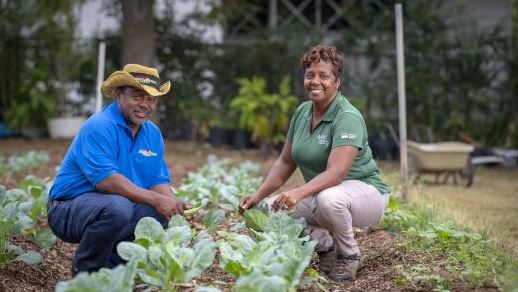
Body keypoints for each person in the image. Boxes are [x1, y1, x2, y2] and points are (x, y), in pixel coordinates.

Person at [239, 45, 390, 281]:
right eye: (310, 75)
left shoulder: (347, 117)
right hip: (323, 196)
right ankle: (325, 248)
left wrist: (299, 192)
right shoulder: (302, 112)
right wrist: (258, 196)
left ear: (337, 82)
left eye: (324, 76)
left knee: (328, 199)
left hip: (365, 195)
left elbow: (337, 173)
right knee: (265, 214)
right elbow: (285, 162)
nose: (315, 81)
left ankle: (349, 256)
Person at [47, 64, 188, 275]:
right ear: (118, 94)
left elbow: (158, 181)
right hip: (67, 209)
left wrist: (172, 205)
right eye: (138, 96)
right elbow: (107, 182)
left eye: (151, 99)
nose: (145, 105)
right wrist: (156, 200)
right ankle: (85, 274)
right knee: (118, 207)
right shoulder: (99, 126)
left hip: (114, 208)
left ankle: (112, 273)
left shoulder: (152, 133)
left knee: (158, 213)